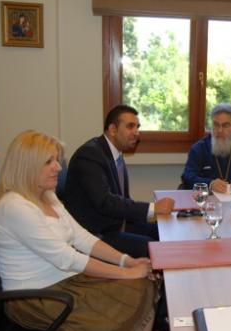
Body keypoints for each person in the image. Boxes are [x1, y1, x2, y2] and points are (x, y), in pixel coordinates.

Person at [0, 130, 159, 331]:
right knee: (135, 286)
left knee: (146, 282)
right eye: (49, 161)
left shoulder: (47, 196)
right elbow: (66, 258)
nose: (58, 167)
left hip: (64, 281)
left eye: (57, 160)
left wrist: (126, 261)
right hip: (35, 298)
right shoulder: (15, 207)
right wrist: (127, 273)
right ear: (27, 165)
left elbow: (82, 238)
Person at [64, 105, 174, 258]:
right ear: (113, 129)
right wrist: (153, 208)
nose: (136, 133)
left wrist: (152, 213)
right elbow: (105, 202)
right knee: (153, 248)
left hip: (116, 223)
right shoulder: (89, 155)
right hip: (96, 233)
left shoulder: (115, 154)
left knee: (163, 231)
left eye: (137, 127)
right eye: (130, 126)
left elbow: (123, 200)